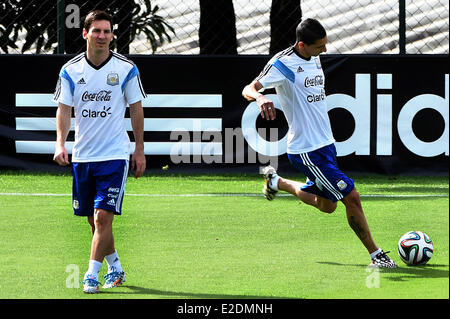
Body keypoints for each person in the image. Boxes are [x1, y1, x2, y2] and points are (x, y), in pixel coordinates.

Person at [242, 18, 397, 268]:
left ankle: (277, 182)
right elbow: (248, 88)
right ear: (302, 45)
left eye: (325, 45)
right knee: (351, 196)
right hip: (306, 151)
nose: (324, 51)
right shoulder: (282, 64)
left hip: (326, 145)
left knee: (327, 206)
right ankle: (376, 255)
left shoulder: (313, 57)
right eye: (319, 46)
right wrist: (260, 97)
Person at [53, 10, 147, 293]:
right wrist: (60, 143)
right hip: (83, 156)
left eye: (107, 31)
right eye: (97, 31)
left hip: (115, 156)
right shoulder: (70, 70)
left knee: (102, 218)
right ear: (85, 34)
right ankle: (115, 267)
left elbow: (136, 108)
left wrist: (139, 149)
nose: (102, 36)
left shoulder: (126, 68)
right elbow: (64, 110)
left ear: (112, 35)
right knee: (93, 222)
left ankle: (91, 275)